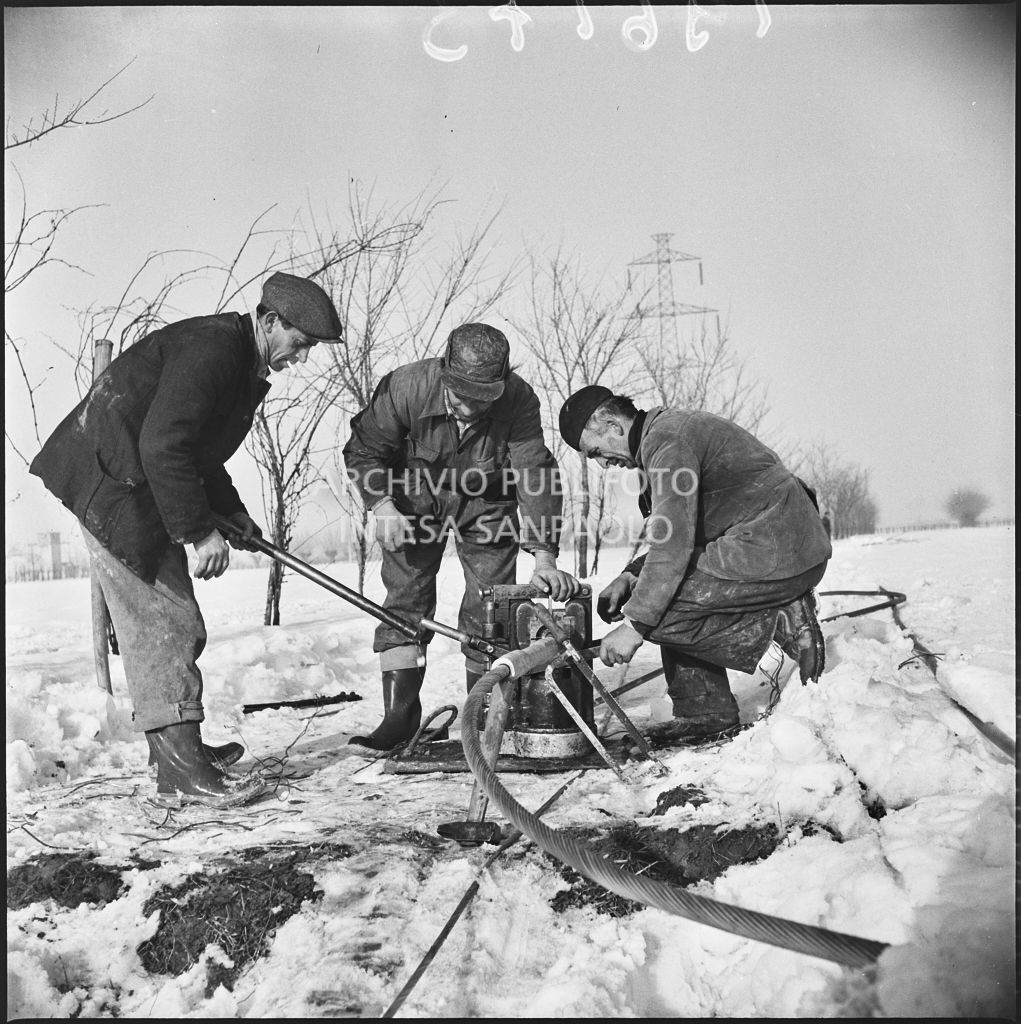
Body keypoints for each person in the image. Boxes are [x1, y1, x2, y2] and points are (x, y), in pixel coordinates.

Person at [29, 272, 345, 807]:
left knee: (170, 617)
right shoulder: (214, 350)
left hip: (133, 487)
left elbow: (198, 454)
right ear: (270, 321)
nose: (302, 357)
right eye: (300, 343)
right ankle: (180, 769)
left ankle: (178, 748)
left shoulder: (234, 355)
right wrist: (200, 532)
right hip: (112, 489)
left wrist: (232, 515)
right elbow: (165, 444)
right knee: (166, 619)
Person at [343, 322, 580, 750]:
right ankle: (400, 717)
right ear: (445, 372)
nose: (470, 409)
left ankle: (485, 715)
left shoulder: (520, 398)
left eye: (482, 399)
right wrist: (381, 505)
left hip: (488, 502)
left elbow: (535, 471)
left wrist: (544, 555)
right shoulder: (405, 387)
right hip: (410, 501)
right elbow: (363, 449)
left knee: (493, 605)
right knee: (405, 599)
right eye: (462, 396)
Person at [558, 386, 831, 746]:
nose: (604, 465)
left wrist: (634, 626)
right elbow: (681, 532)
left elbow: (674, 547)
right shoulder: (661, 440)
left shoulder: (667, 443)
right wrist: (632, 575)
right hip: (777, 545)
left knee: (658, 608)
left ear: (612, 425)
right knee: (653, 594)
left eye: (596, 453)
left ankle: (780, 619)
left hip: (777, 549)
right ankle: (705, 713)